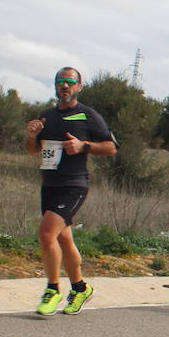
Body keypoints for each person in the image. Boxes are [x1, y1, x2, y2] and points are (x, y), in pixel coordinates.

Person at [25, 67, 116, 317]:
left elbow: (110, 148)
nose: (65, 86)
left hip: (74, 184)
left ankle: (52, 289)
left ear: (78, 86)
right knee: (64, 238)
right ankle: (80, 288)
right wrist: (32, 136)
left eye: (70, 82)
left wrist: (83, 145)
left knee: (46, 234)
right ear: (55, 86)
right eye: (60, 82)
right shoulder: (47, 116)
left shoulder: (88, 115)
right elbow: (33, 150)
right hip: (50, 184)